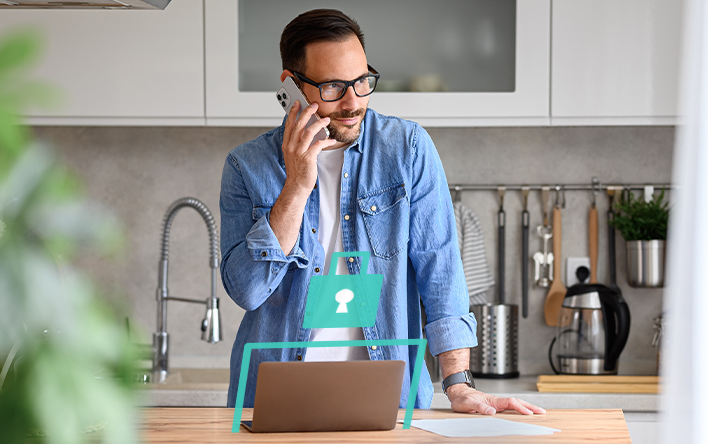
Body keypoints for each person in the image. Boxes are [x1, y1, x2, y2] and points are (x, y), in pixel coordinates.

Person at [219, 9, 544, 416]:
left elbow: (440, 269)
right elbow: (247, 291)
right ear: (292, 86)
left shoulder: (407, 149)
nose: (354, 101)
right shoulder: (245, 167)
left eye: (362, 81)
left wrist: (458, 383)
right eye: (334, 86)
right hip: (274, 400)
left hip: (387, 402)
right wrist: (297, 187)